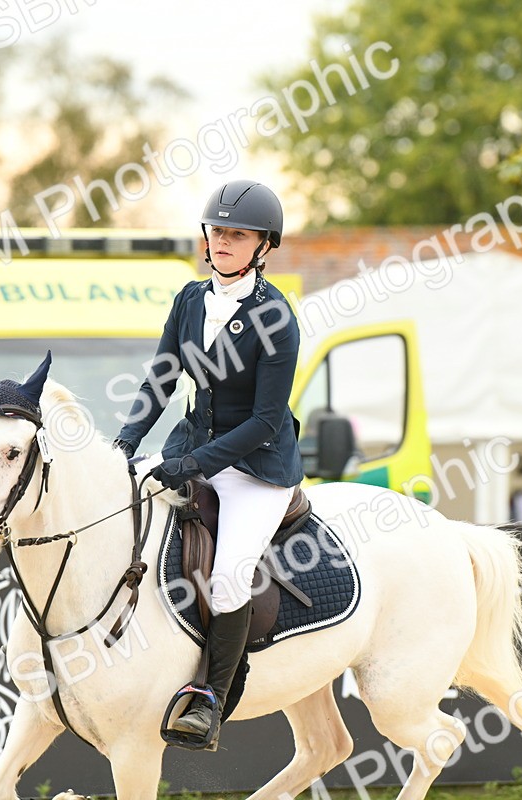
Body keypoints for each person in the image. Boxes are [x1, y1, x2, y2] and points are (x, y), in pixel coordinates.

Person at [113, 179, 303, 750]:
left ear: (262, 245)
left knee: (227, 576)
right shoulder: (190, 300)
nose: (222, 241)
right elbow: (162, 377)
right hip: (192, 446)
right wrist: (124, 443)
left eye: (236, 234)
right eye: (217, 231)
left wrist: (194, 461)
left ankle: (210, 700)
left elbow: (266, 421)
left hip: (258, 468)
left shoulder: (277, 318)